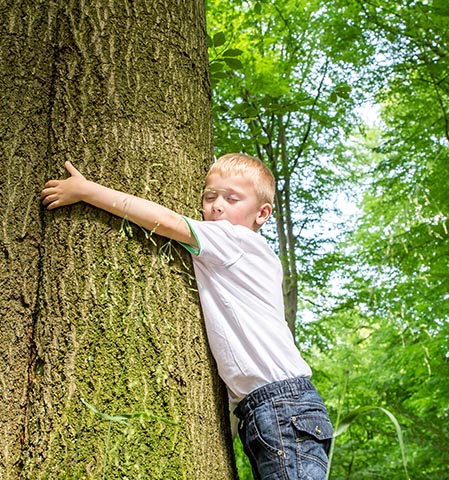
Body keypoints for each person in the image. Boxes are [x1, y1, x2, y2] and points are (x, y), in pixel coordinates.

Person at [41, 153, 333, 479]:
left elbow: (166, 222)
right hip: (277, 407)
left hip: (281, 407)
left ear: (262, 213)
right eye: (210, 196)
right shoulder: (250, 254)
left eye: (232, 198)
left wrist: (87, 191)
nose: (217, 206)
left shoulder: (233, 240)